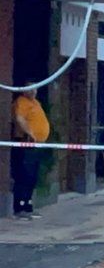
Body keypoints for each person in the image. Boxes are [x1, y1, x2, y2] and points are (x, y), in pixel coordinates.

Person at [11, 86, 50, 219]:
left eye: (35, 89)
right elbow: (19, 118)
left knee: (32, 176)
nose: (33, 91)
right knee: (24, 175)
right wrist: (30, 133)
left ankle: (28, 206)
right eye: (30, 89)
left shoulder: (36, 102)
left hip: (36, 145)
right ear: (23, 90)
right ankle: (20, 208)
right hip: (26, 142)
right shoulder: (22, 102)